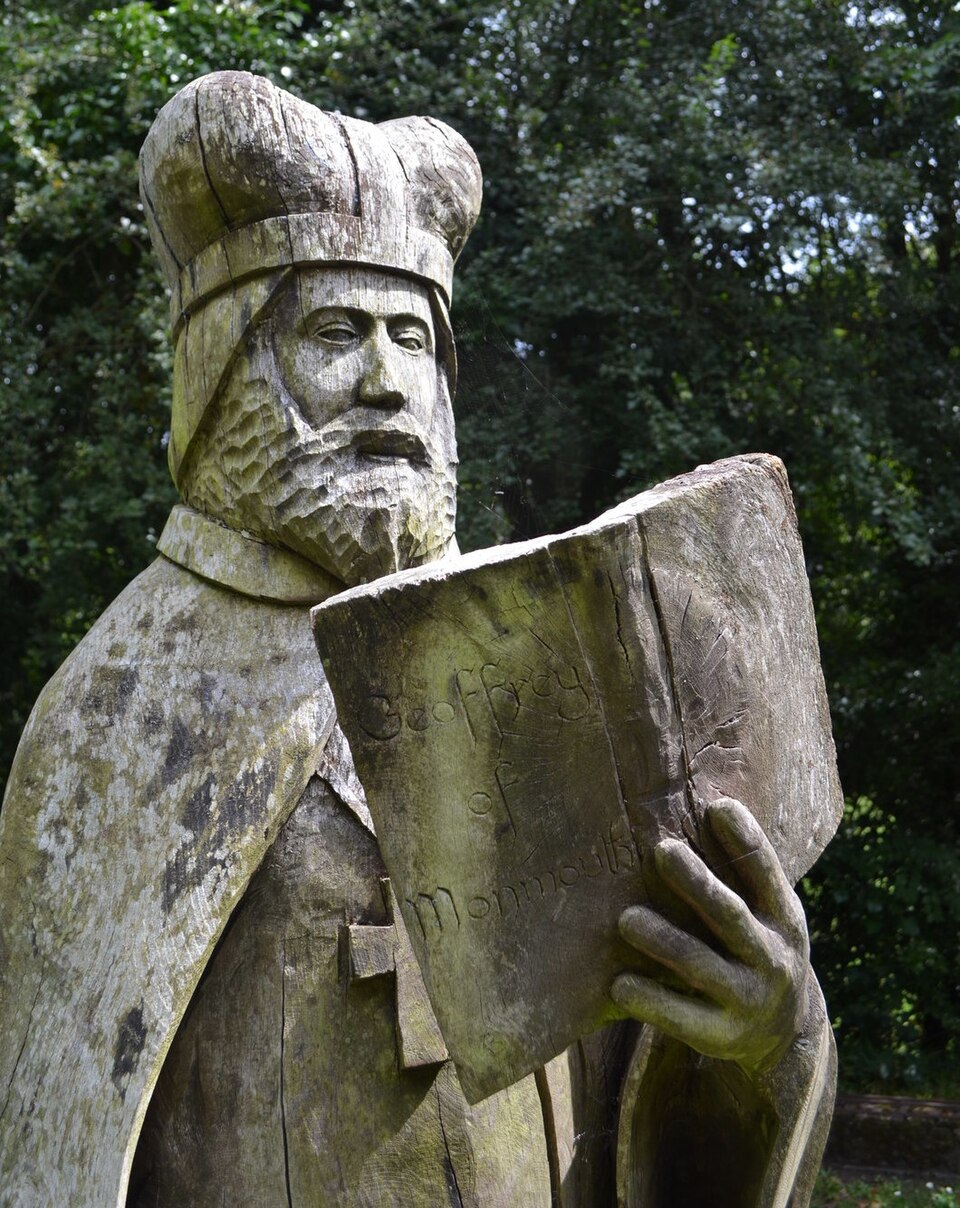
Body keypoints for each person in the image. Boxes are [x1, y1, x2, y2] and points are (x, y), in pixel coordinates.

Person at [0, 72, 835, 1207]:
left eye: (413, 338)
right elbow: (56, 1128)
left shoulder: (539, 667)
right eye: (336, 332)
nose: (388, 384)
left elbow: (645, 1065)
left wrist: (767, 1033)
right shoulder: (121, 713)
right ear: (223, 364)